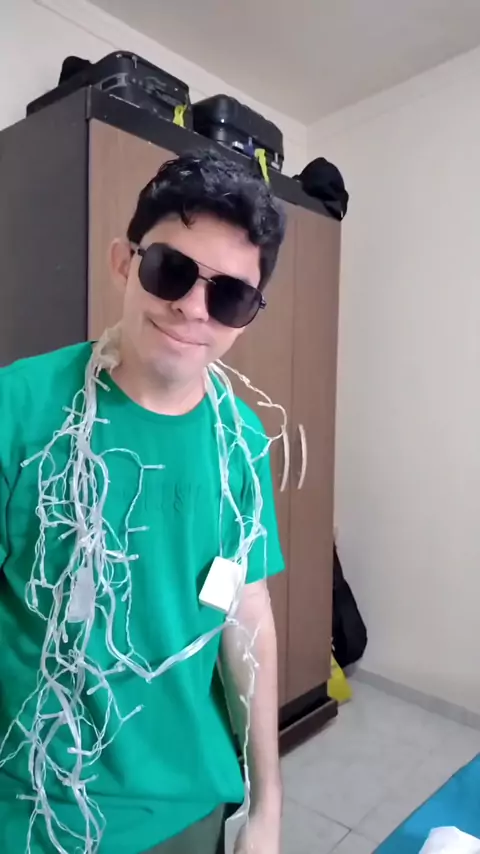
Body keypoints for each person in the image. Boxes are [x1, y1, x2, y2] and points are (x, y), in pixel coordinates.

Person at [0, 149, 286, 854]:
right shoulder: (18, 407)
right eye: (171, 270)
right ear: (124, 263)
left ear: (248, 316)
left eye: (229, 296)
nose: (192, 307)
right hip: (34, 808)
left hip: (190, 804)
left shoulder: (241, 440)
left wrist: (267, 806)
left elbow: (245, 613)